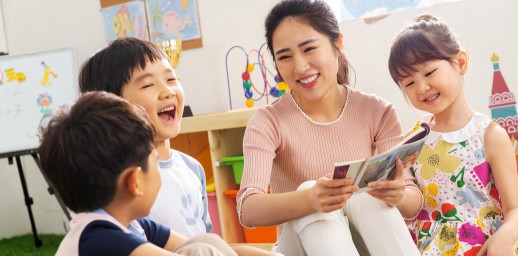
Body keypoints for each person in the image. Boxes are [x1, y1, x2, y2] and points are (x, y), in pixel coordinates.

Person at [237, 0, 421, 255]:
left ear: (338, 44)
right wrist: (310, 199)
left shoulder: (377, 112)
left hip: (369, 245)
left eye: (309, 48)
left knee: (368, 193)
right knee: (307, 192)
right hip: (299, 248)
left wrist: (399, 194)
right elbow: (248, 209)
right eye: (285, 57)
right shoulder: (268, 121)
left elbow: (412, 204)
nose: (301, 67)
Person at [388, 14, 518, 255]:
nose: (422, 88)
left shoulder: (489, 135)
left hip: (490, 246)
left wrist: (504, 238)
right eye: (409, 83)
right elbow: (413, 207)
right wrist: (396, 193)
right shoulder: (414, 139)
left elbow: (517, 210)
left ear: (461, 62)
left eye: (429, 73)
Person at [39, 92, 261, 256]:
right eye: (155, 161)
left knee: (205, 241)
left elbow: (217, 248)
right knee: (202, 250)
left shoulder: (133, 225)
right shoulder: (98, 239)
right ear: (135, 182)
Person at [78, 38, 211, 238]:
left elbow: (206, 237)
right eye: (148, 85)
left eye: (171, 79)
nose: (167, 91)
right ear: (113, 106)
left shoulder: (191, 168)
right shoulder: (120, 183)